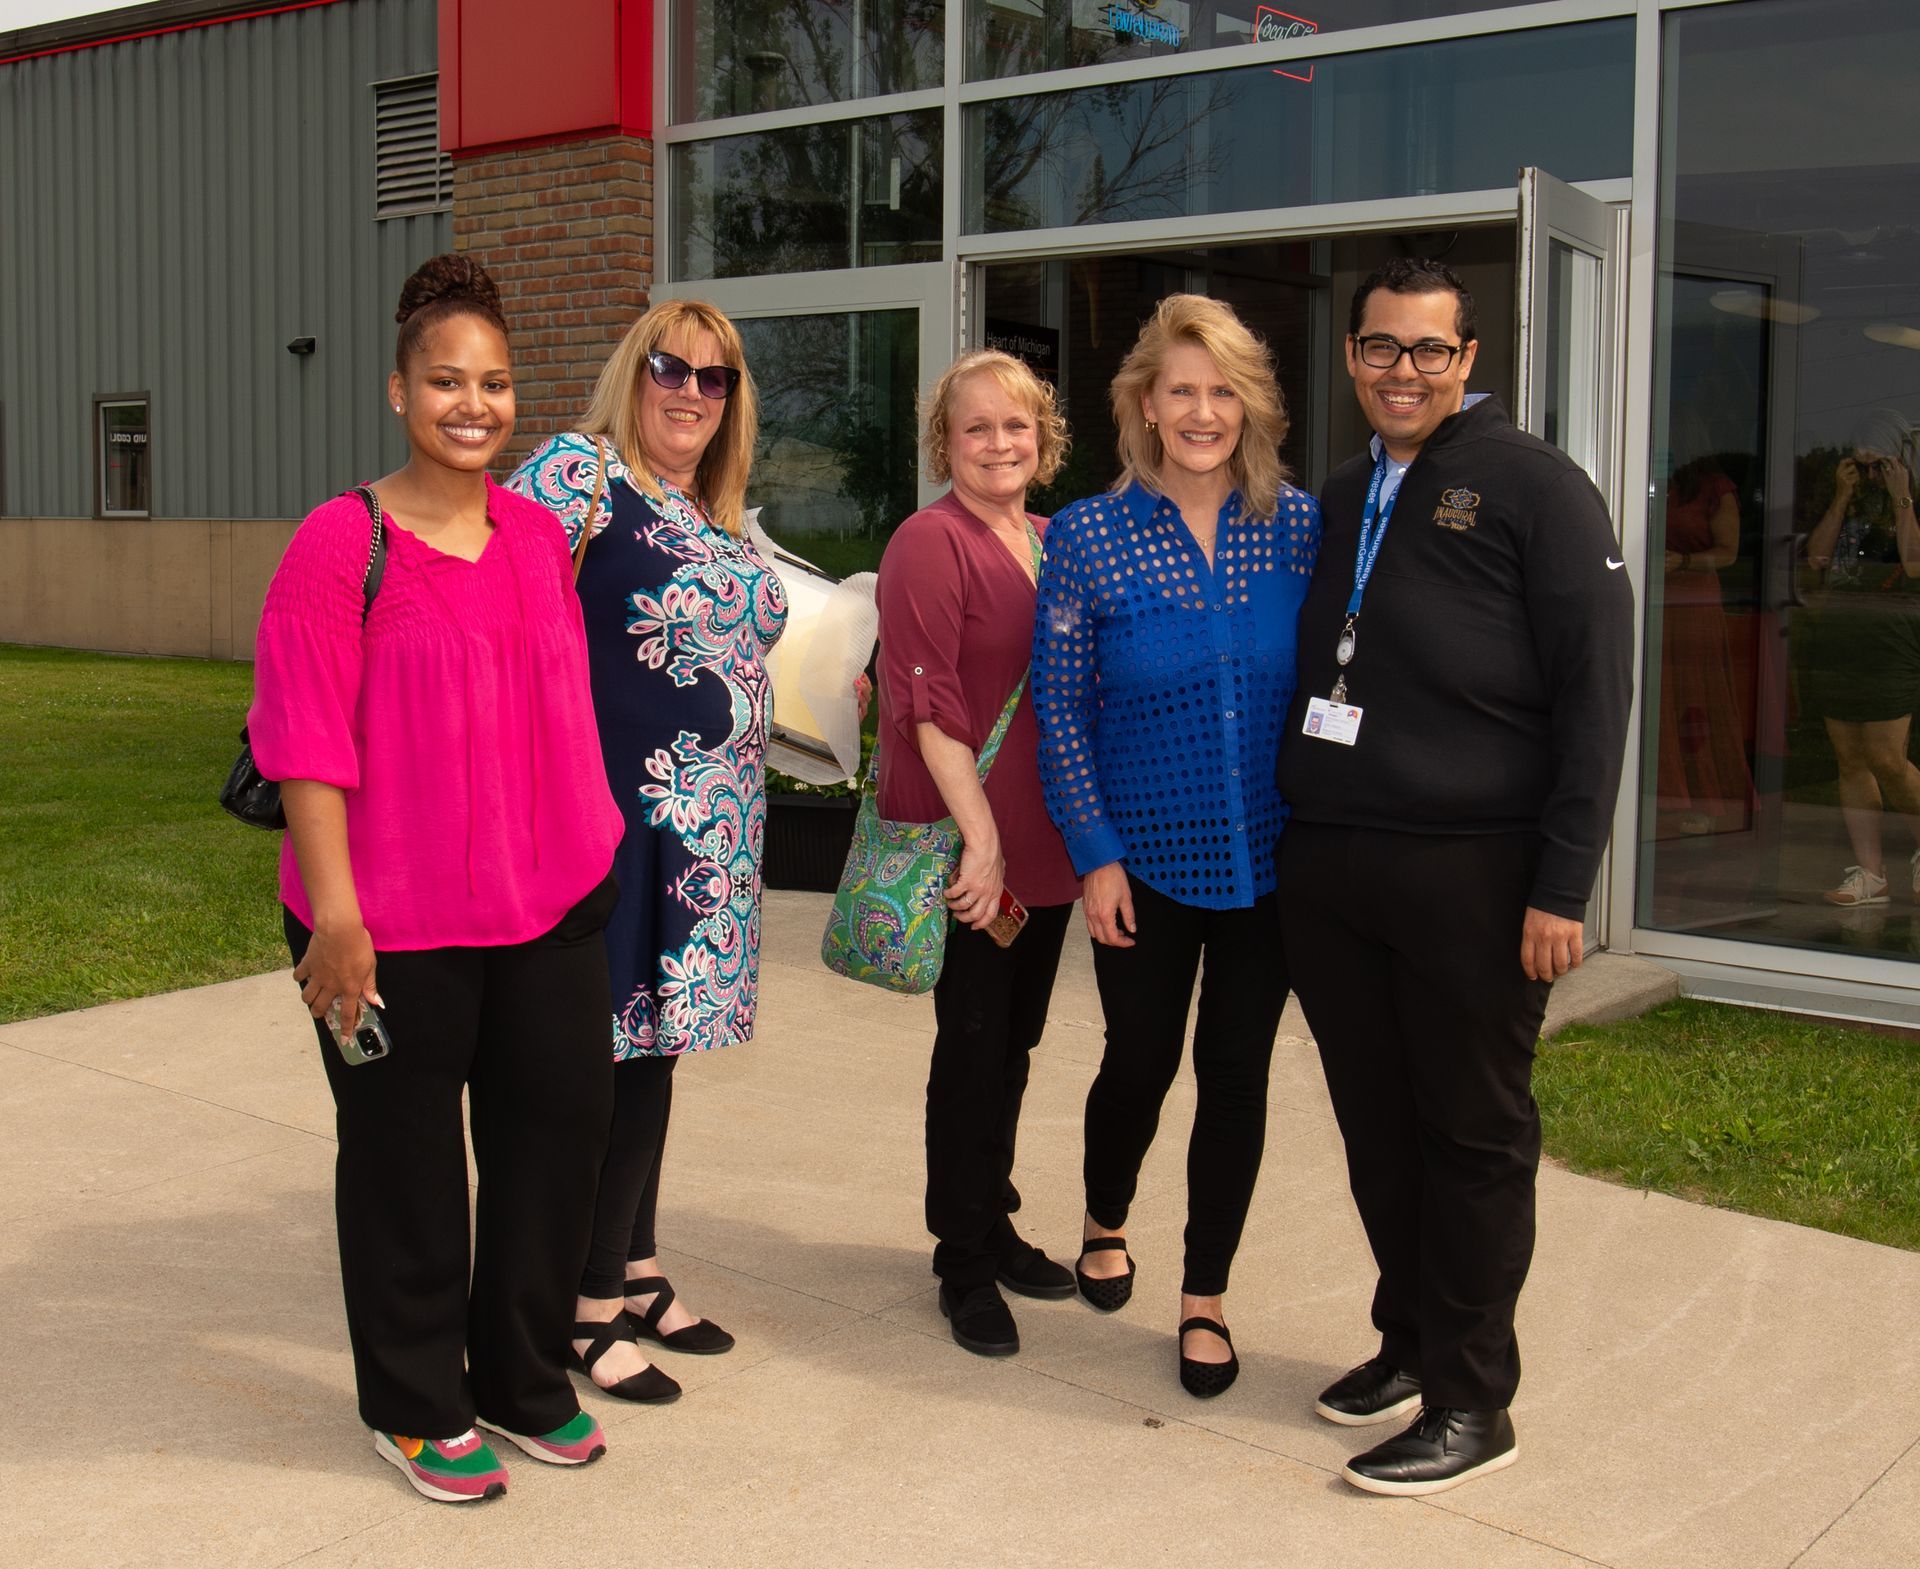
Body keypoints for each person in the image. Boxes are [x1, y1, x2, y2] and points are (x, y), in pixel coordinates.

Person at [249, 254, 626, 1502]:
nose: (475, 403)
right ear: (399, 391)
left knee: (554, 1143)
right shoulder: (336, 543)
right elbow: (302, 742)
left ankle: (523, 1380)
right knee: (407, 1164)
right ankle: (416, 1404)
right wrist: (338, 918)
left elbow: (555, 707)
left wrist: (595, 854)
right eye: (447, 381)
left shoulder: (533, 535)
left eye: (497, 383)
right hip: (390, 924)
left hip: (550, 905)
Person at [1275, 257, 1633, 1494]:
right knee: (1380, 1129)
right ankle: (1413, 1342)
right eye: (1381, 348)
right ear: (1355, 357)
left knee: (1473, 1136)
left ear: (1470, 360)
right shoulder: (1336, 496)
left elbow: (1597, 694)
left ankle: (1478, 1402)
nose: (1403, 371)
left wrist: (1564, 883)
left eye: (1430, 351)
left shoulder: (1538, 487)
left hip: (1479, 878)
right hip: (1335, 868)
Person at [1033, 295, 1320, 1397]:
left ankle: (1205, 1297)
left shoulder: (1297, 527)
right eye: (1182, 391)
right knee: (1140, 1065)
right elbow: (1061, 709)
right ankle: (1106, 1218)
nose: (1204, 411)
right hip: (1143, 865)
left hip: (1273, 863)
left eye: (1223, 391)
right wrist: (1094, 852)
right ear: (1145, 406)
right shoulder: (1090, 538)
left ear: (1250, 405)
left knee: (1236, 1076)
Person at [509, 300, 784, 1403]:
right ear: (635, 370)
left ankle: (636, 1262)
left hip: (708, 835)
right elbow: (502, 607)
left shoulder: (706, 508)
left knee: (656, 1054)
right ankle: (585, 1306)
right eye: (671, 368)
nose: (689, 393)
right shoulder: (581, 475)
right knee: (615, 1062)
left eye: (714, 380)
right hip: (617, 824)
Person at [874, 349, 1083, 1358]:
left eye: (1017, 426)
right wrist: (984, 843)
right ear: (944, 444)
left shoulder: (1051, 539)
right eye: (976, 429)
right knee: (970, 1050)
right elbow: (927, 704)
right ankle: (962, 1263)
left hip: (1045, 846)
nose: (999, 443)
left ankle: (991, 1223)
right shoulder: (930, 541)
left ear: (1041, 440)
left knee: (1014, 1046)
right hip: (972, 849)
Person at [1801, 413, 1920, 907]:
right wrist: (1840, 496)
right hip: (1839, 642)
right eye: (1861, 464)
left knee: (1889, 760)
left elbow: (1914, 564)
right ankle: (1871, 875)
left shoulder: (1909, 501)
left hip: (1892, 645)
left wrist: (1901, 494)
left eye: (1880, 465)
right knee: (1850, 758)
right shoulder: (1847, 504)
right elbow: (1816, 559)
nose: (1870, 475)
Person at [1654, 453, 1754, 836]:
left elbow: (1728, 553)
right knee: (1658, 698)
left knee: (1694, 699)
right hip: (1652, 600)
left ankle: (1706, 798)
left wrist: (1682, 562)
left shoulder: (1715, 488)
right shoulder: (1652, 479)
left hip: (1693, 604)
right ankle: (1660, 796)